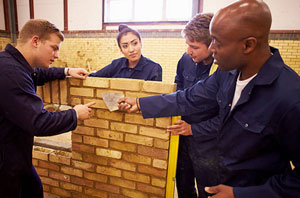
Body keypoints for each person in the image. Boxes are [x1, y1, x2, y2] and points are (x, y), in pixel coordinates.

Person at [118, 0, 300, 197]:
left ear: (248, 45)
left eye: (217, 43)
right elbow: (189, 98)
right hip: (216, 177)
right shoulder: (227, 74)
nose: (211, 49)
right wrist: (140, 103)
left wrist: (240, 194)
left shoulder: (290, 98)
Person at [0, 19, 95, 198]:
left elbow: (38, 73)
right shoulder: (9, 72)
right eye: (54, 48)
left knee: (34, 189)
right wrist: (75, 114)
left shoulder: (15, 63)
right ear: (35, 41)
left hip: (17, 155)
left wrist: (67, 71)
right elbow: (39, 122)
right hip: (5, 163)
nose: (57, 54)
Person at [173, 13, 219, 198]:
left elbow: (227, 117)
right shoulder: (185, 60)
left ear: (212, 45)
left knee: (208, 190)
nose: (188, 51)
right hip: (182, 138)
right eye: (187, 45)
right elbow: (177, 89)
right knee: (183, 186)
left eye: (194, 47)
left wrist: (194, 129)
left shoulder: (224, 69)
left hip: (209, 144)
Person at [89, 24, 162, 81]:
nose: (131, 50)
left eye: (135, 43)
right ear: (121, 50)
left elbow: (154, 98)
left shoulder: (154, 68)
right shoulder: (116, 65)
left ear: (141, 43)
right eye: (125, 46)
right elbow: (95, 76)